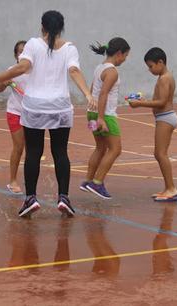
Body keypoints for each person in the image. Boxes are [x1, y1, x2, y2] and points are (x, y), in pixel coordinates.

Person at [0, 10, 95, 217]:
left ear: (42, 27)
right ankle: (64, 197)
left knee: (33, 152)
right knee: (60, 152)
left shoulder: (32, 44)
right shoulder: (70, 48)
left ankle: (31, 198)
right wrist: (88, 94)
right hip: (60, 106)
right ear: (61, 28)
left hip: (34, 106)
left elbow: (21, 68)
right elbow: (74, 71)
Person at [79, 38, 130, 200]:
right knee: (115, 149)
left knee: (100, 148)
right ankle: (97, 182)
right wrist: (101, 118)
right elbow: (103, 94)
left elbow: (94, 89)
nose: (125, 59)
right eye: (125, 56)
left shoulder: (99, 67)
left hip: (91, 112)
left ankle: (88, 180)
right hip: (105, 115)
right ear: (119, 53)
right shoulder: (112, 71)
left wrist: (94, 114)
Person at [128, 47, 177, 202]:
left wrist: (141, 104)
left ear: (161, 62)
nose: (150, 70)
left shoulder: (165, 78)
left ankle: (171, 188)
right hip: (164, 117)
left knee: (160, 154)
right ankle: (168, 188)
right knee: (159, 153)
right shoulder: (164, 76)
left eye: (151, 66)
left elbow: (162, 101)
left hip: (165, 117)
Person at [0, 40, 27, 194]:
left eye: (25, 51)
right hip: (15, 112)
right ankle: (13, 181)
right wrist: (5, 83)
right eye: (19, 51)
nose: (22, 54)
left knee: (33, 150)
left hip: (32, 114)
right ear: (15, 55)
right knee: (19, 147)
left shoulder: (35, 71)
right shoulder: (12, 70)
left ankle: (30, 179)